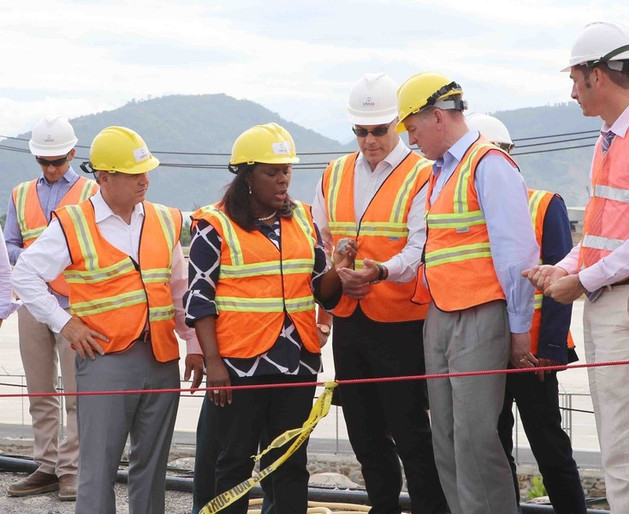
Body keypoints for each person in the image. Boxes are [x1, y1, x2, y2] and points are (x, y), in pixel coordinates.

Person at [524, 21, 629, 513]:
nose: (572, 91)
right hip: (613, 301)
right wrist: (563, 268)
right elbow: (598, 231)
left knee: (624, 448)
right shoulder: (611, 137)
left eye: (575, 79)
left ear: (598, 75)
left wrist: (580, 280)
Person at [11, 125, 204, 514]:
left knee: (152, 472)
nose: (145, 181)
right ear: (104, 178)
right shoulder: (74, 223)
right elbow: (24, 275)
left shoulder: (165, 219)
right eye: (135, 174)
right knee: (96, 472)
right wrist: (65, 324)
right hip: (105, 361)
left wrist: (194, 345)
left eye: (147, 172)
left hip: (161, 359)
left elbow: (179, 288)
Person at [186, 123, 354, 514]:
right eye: (272, 172)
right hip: (240, 365)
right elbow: (199, 300)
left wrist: (338, 269)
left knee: (290, 464)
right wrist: (214, 365)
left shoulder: (302, 219)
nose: (283, 180)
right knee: (234, 463)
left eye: (287, 171)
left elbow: (320, 289)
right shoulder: (215, 226)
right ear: (246, 176)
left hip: (296, 361)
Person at [397, 72, 539, 514]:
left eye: (413, 129)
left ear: (437, 116)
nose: (412, 139)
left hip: (479, 315)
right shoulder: (438, 174)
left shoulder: (488, 164)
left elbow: (517, 256)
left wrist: (519, 330)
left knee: (477, 440)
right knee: (448, 438)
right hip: (441, 315)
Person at [312, 73, 447, 514]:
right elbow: (321, 239)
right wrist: (339, 267)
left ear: (399, 125)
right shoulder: (334, 174)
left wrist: (381, 271)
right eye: (360, 131)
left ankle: (431, 508)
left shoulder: (425, 174)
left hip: (402, 323)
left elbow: (421, 245)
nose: (369, 140)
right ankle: (383, 506)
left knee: (412, 433)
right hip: (352, 322)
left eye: (378, 130)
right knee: (364, 432)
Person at [466, 113, 586, 514]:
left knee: (548, 444)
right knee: (494, 448)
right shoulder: (463, 211)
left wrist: (551, 348)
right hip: (486, 350)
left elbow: (559, 278)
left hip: (534, 351)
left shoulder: (544, 204)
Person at [4, 116, 97, 501]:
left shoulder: (92, 192)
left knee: (76, 395)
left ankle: (72, 471)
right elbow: (8, 244)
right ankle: (46, 465)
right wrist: (34, 260)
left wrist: (51, 261)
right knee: (40, 391)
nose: (51, 168)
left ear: (72, 153)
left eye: (57, 160)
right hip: (31, 305)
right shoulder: (20, 194)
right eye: (44, 161)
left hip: (74, 307)